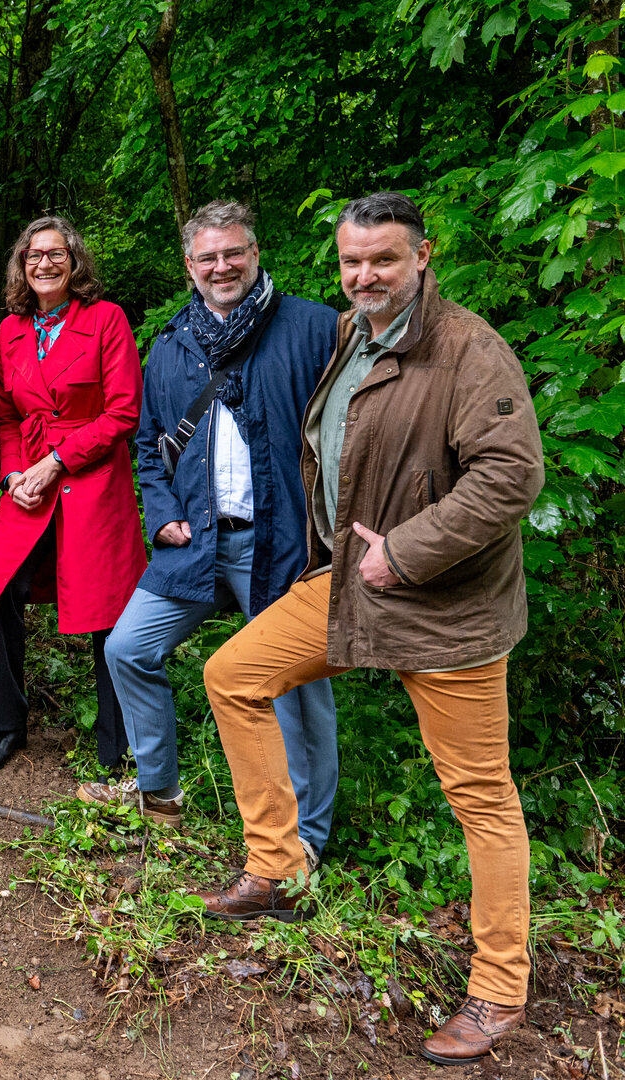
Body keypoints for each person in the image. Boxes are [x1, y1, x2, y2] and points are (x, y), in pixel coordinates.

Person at [199, 193, 542, 1066]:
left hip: (446, 608)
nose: (364, 276)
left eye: (382, 259)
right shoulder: (355, 333)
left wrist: (406, 550)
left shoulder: (467, 349)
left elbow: (509, 475)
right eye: (352, 261)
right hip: (352, 585)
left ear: (421, 256)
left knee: (480, 796)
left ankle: (500, 989)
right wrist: (342, 556)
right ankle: (277, 868)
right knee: (233, 676)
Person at [85, 202, 339, 853]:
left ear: (254, 254)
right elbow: (149, 445)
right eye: (207, 257)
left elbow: (357, 428)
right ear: (189, 265)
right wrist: (162, 512)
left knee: (294, 687)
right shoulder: (172, 344)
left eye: (233, 253)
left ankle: (304, 839)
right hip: (196, 541)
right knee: (127, 649)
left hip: (281, 542)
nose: (221, 266)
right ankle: (159, 794)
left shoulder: (314, 328)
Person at [0, 217, 143, 777]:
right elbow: (5, 416)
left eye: (55, 254)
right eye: (33, 256)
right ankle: (6, 725)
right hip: (29, 480)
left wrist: (57, 462)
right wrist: (13, 475)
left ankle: (118, 746)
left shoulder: (106, 318)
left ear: (74, 262)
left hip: (92, 478)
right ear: (22, 266)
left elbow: (123, 412)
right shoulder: (10, 329)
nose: (43, 264)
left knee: (107, 612)